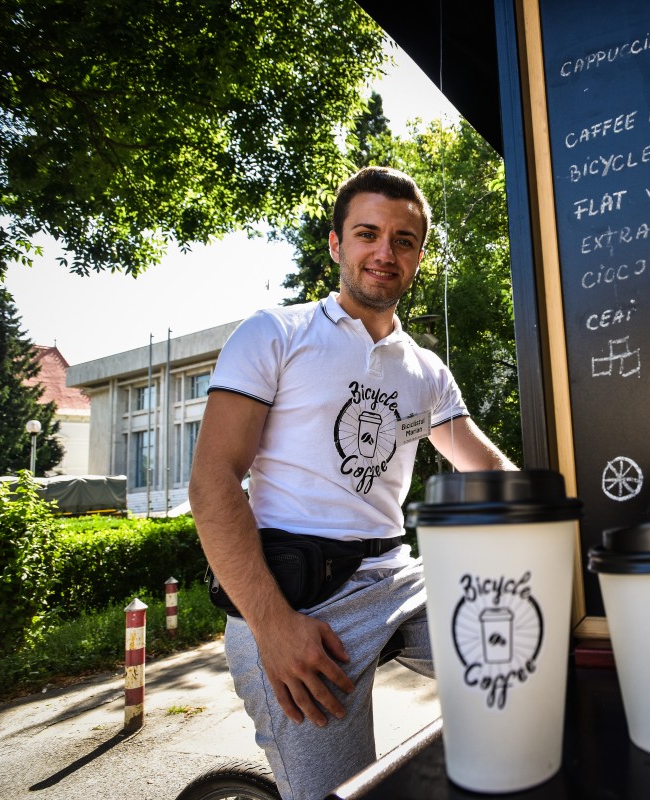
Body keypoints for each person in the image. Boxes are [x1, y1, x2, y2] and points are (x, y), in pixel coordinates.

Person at [188, 166, 516, 800]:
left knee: (526, 656)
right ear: (336, 244)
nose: (384, 252)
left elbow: (490, 470)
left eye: (404, 239)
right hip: (301, 601)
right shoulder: (275, 334)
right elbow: (212, 482)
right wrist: (273, 627)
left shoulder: (424, 370)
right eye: (367, 233)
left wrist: (569, 518)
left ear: (418, 255)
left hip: (401, 579)